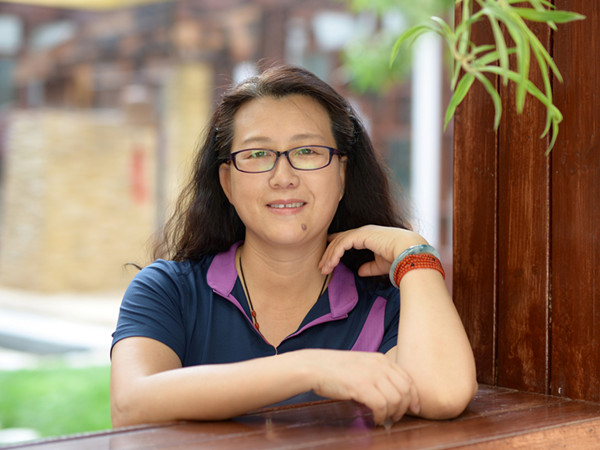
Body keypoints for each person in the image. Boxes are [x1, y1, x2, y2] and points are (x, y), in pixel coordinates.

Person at [110, 64, 477, 428]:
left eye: (307, 151)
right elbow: (131, 404)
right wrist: (310, 368)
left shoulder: (383, 306)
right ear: (227, 183)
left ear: (342, 175)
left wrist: (415, 253)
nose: (283, 177)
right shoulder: (169, 291)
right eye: (257, 154)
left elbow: (443, 394)